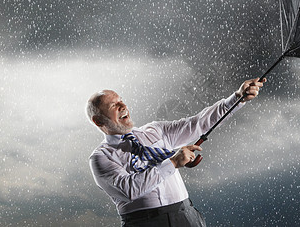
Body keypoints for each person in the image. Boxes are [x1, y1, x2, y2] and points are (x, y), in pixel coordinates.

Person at [87, 77, 266, 226]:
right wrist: (172, 162)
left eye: (121, 101)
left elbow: (199, 123)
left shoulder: (156, 130)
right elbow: (129, 190)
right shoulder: (101, 157)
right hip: (144, 222)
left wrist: (237, 98)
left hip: (186, 215)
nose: (123, 106)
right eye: (113, 106)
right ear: (98, 121)